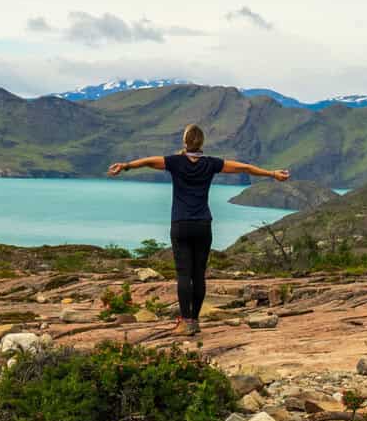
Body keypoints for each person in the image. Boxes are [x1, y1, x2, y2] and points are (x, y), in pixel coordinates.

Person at [108, 124, 289, 336]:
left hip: (181, 224)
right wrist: (272, 174)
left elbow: (148, 161)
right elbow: (245, 168)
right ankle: (195, 320)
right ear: (201, 143)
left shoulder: (174, 162)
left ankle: (185, 323)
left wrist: (126, 166)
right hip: (203, 224)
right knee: (199, 275)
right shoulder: (211, 164)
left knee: (184, 274)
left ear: (185, 142)